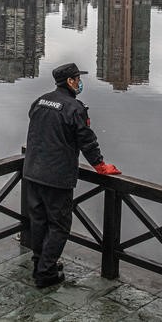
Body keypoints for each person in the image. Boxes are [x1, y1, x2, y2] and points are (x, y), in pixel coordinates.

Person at [23, 62, 121, 288]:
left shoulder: (40, 101)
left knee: (39, 222)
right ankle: (46, 273)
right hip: (56, 177)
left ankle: (39, 264)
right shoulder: (74, 108)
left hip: (32, 172)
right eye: (78, 79)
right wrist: (100, 165)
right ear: (70, 81)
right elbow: (86, 140)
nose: (80, 82)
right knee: (59, 225)